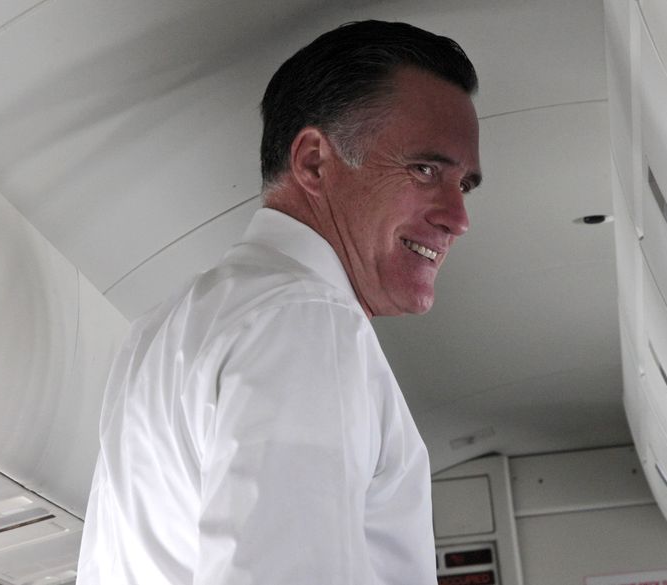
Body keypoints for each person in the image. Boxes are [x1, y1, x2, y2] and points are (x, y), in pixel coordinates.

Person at [76, 19, 481, 585]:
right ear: (314, 161)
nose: (458, 218)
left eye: (464, 185)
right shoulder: (306, 321)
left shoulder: (158, 331)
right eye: (425, 169)